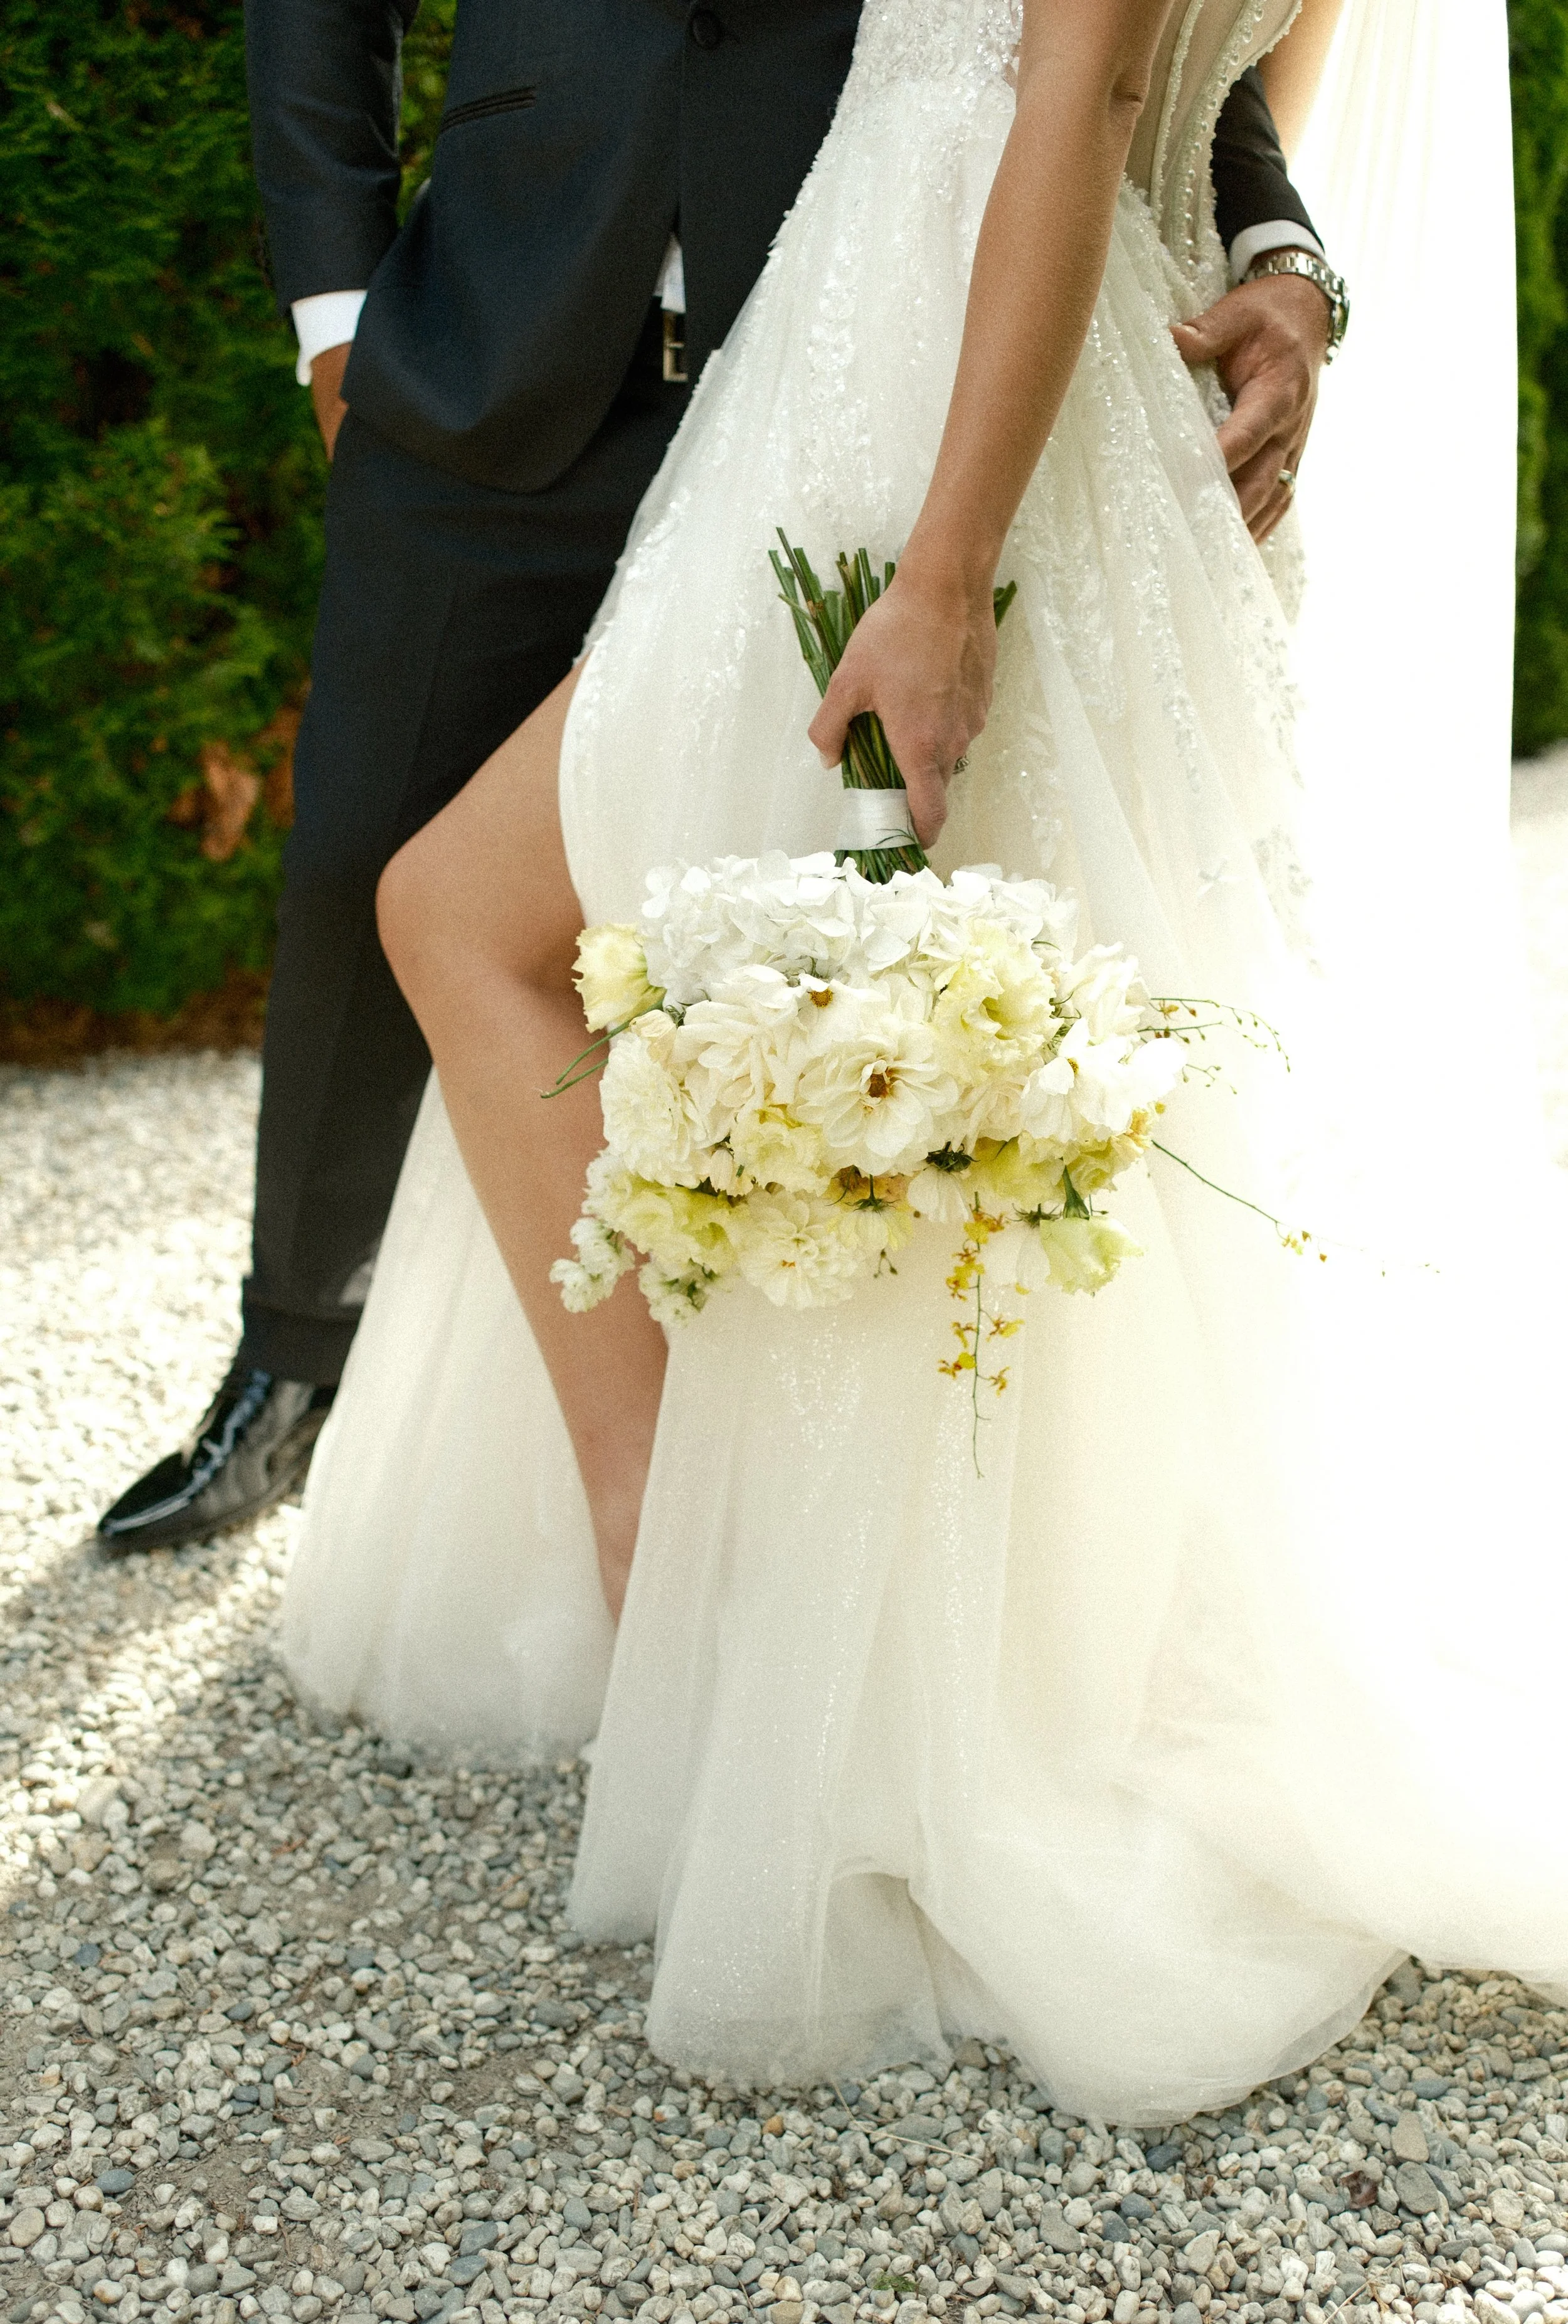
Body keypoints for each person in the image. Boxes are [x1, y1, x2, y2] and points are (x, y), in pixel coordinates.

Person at [297, 0, 1568, 2125]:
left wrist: (946, 574)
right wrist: (1277, 268)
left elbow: (1079, 94)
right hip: (1061, 385)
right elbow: (1217, 111)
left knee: (527, 928)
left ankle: (708, 1625)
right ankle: (823, 1644)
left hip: (921, 393)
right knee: (950, 1043)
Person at [94, 0, 1325, 1557]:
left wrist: (1276, 239)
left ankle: (754, 1495)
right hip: (498, 327)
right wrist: (339, 327)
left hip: (837, 364)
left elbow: (1114, 59)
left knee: (774, 944)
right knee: (371, 851)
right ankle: (295, 1353)